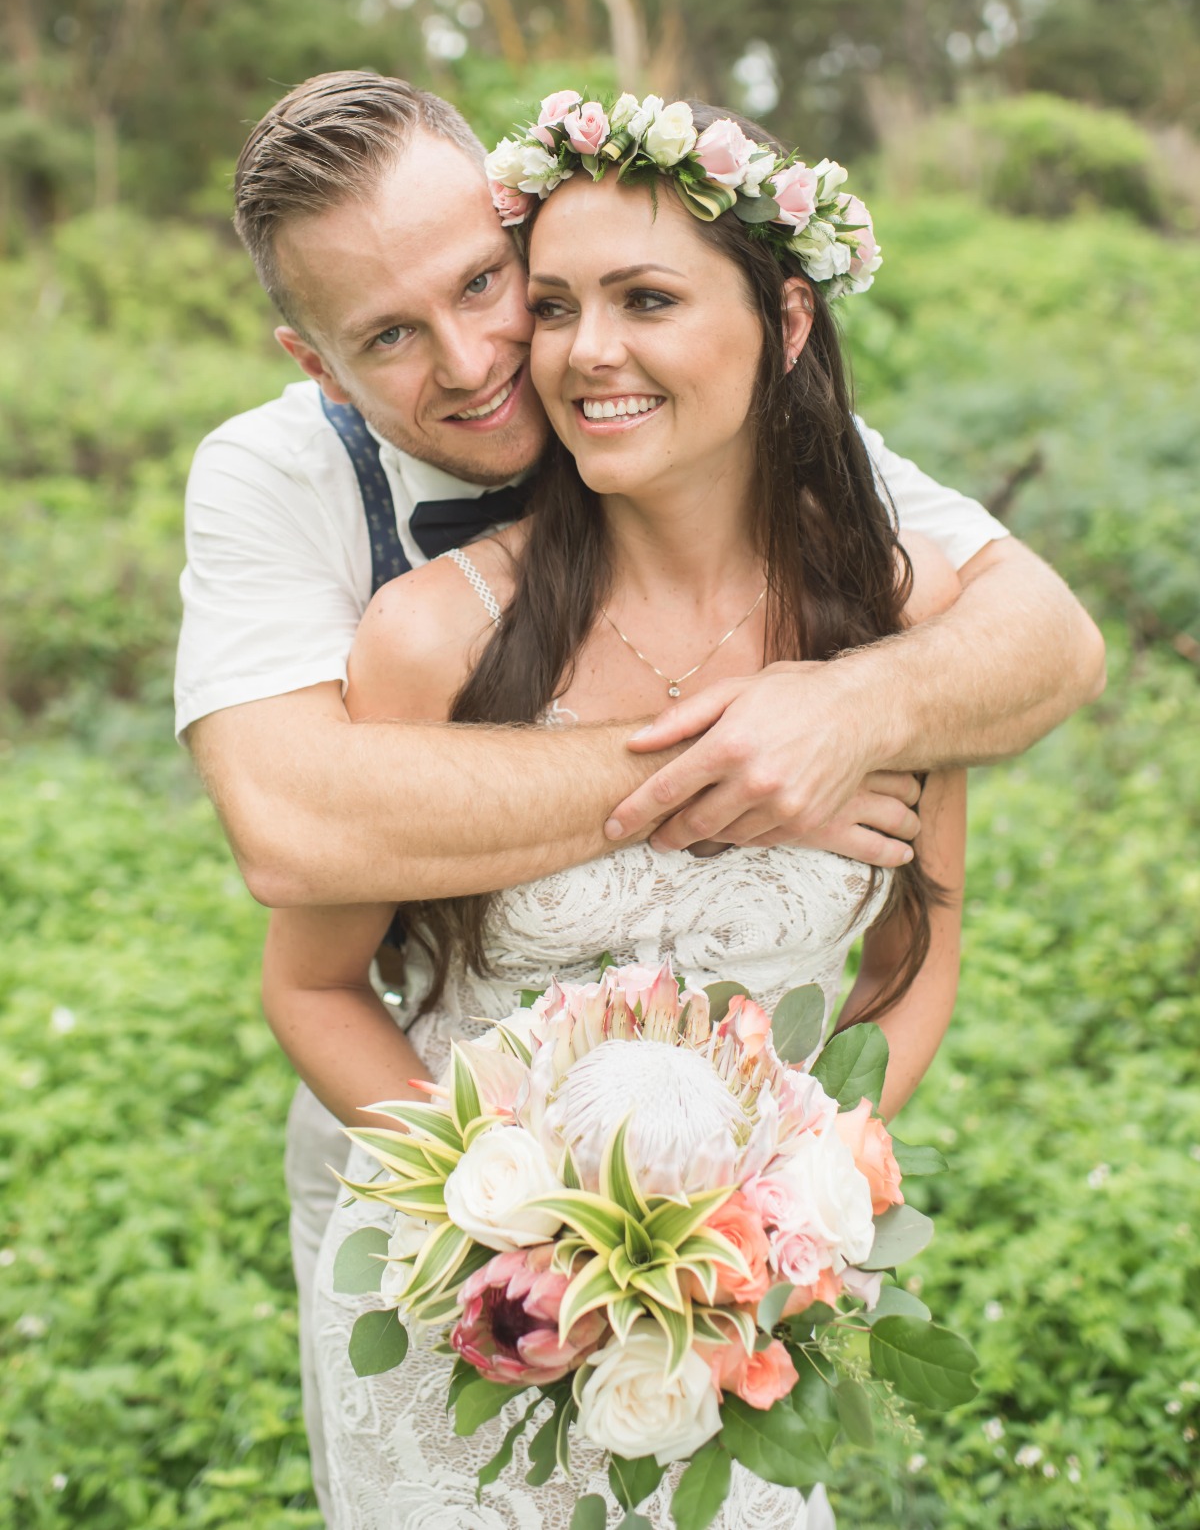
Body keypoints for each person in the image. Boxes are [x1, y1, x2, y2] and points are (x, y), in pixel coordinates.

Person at [176, 73, 1103, 1518]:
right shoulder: (377, 581)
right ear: (316, 363)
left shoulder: (865, 574)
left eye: (496, 284)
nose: (503, 355)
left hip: (737, 1270)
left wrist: (797, 1199)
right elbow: (294, 849)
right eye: (393, 335)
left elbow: (1028, 689)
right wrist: (732, 770)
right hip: (442, 1184)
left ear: (781, 324)